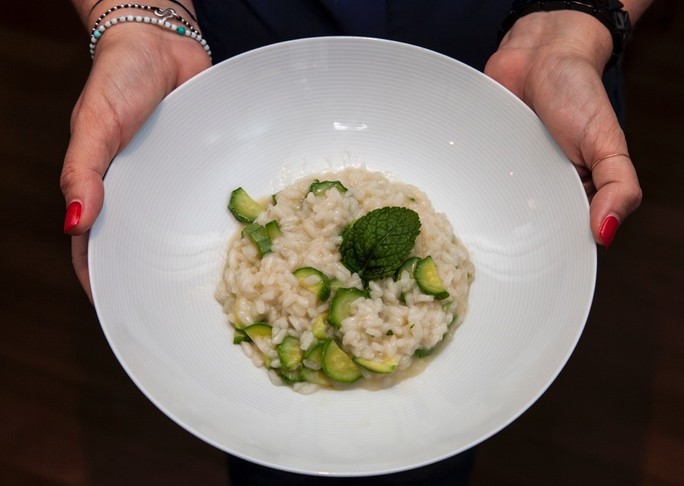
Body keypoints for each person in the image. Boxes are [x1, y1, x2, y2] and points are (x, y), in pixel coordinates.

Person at [61, 0, 652, 483]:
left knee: (440, 446)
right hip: (239, 63)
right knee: (273, 457)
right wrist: (140, 16)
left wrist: (575, 18)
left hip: (507, 57)